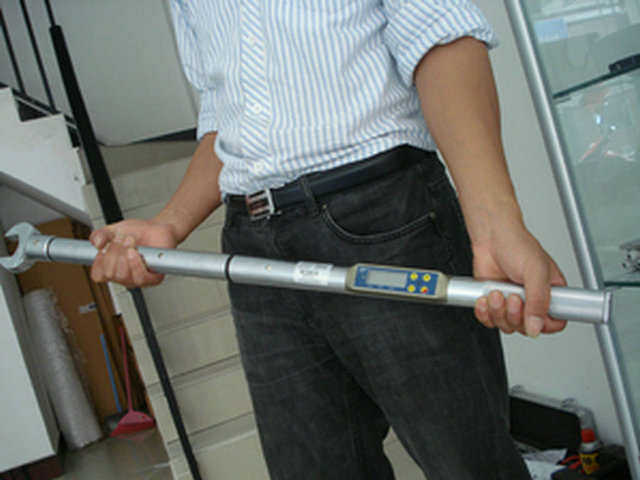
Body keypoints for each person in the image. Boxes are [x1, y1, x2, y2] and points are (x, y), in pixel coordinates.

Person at [90, 1, 567, 478]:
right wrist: (170, 223)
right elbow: (227, 118)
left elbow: (439, 32)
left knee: (469, 465)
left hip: (384, 219)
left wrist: (496, 225)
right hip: (255, 243)